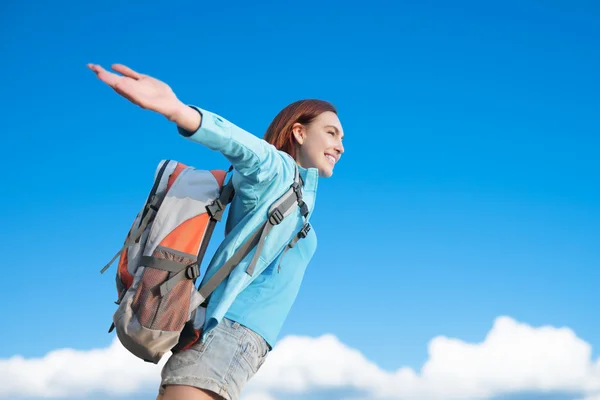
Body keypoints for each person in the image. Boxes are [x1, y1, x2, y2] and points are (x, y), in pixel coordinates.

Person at [88, 63, 345, 400]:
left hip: (239, 344)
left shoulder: (300, 196)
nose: (340, 146)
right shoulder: (276, 172)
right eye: (331, 133)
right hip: (223, 334)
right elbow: (240, 145)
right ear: (299, 132)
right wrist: (178, 111)